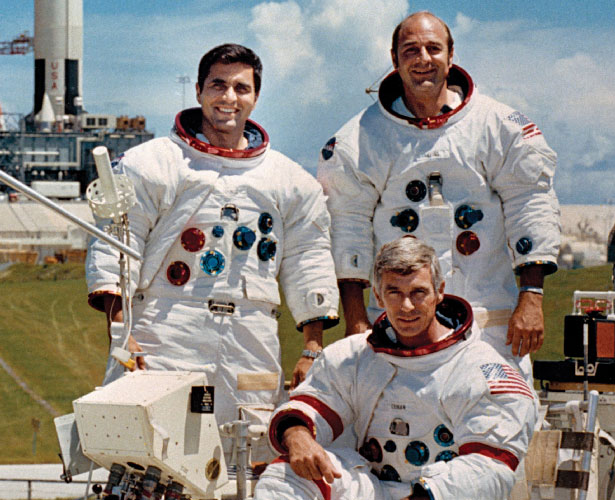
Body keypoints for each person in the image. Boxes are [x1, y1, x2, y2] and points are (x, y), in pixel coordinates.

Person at [85, 44, 339, 449]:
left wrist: (311, 349)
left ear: (255, 97)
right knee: (154, 449)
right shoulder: (152, 163)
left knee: (248, 450)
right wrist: (120, 330)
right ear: (200, 90)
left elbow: (309, 258)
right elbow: (117, 244)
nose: (229, 98)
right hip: (167, 329)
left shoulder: (289, 180)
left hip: (251, 335)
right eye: (218, 85)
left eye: (241, 88)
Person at [317, 11, 560, 377]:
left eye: (433, 48)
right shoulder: (360, 139)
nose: (423, 59)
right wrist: (355, 321)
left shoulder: (498, 126)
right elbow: (347, 229)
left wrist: (532, 297)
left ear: (451, 55)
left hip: (489, 322)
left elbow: (531, 204)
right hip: (400, 326)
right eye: (411, 50)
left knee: (495, 425)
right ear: (394, 58)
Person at [253, 237, 538, 500]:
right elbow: (312, 404)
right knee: (285, 476)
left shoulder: (481, 368)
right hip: (374, 488)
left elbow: (489, 468)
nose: (406, 306)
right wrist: (298, 437)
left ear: (439, 292)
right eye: (394, 292)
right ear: (378, 296)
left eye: (418, 292)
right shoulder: (355, 355)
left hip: (439, 494)